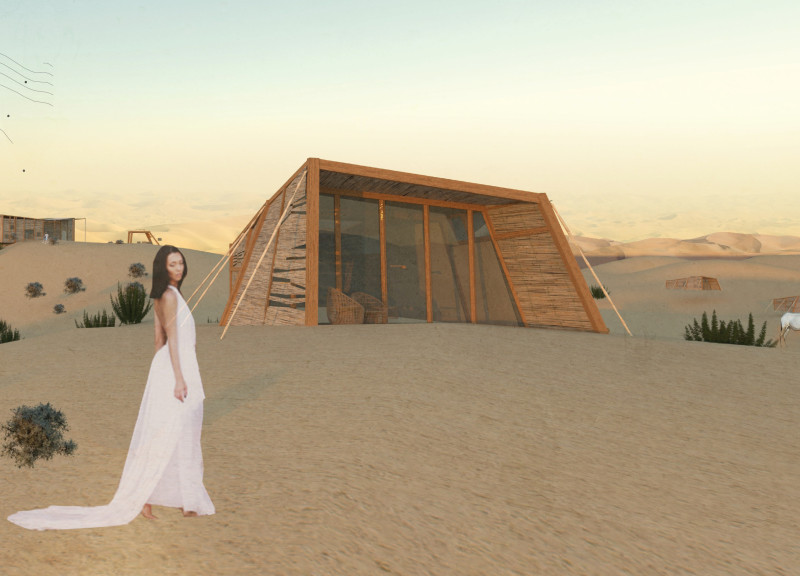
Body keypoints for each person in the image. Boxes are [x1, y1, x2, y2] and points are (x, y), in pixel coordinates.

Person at [8, 246, 214, 530]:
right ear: (162, 268)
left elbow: (158, 342)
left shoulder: (168, 294)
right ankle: (171, 498)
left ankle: (164, 495)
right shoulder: (167, 295)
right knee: (175, 430)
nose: (179, 268)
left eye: (181, 263)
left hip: (173, 367)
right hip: (177, 369)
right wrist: (177, 378)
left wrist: (166, 373)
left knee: (177, 430)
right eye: (173, 264)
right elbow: (170, 340)